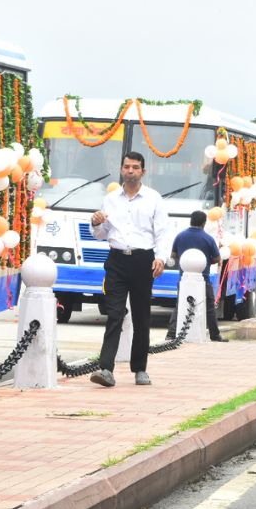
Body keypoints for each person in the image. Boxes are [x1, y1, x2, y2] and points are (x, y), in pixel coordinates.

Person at [89, 151, 173, 387]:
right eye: (127, 167)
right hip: (116, 260)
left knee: (141, 315)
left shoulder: (154, 198)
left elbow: (163, 232)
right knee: (114, 313)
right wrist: (95, 223)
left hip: (142, 260)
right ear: (121, 170)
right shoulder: (111, 199)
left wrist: (161, 258)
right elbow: (102, 234)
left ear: (143, 171)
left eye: (135, 167)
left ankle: (140, 369)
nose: (130, 171)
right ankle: (106, 369)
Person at [164, 211, 224, 342]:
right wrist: (206, 261)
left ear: (190, 220)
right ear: (204, 223)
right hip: (204, 279)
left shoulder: (180, 236)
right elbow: (217, 259)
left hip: (183, 278)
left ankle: (171, 333)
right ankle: (215, 335)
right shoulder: (208, 238)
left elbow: (173, 255)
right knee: (209, 307)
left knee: (180, 304)